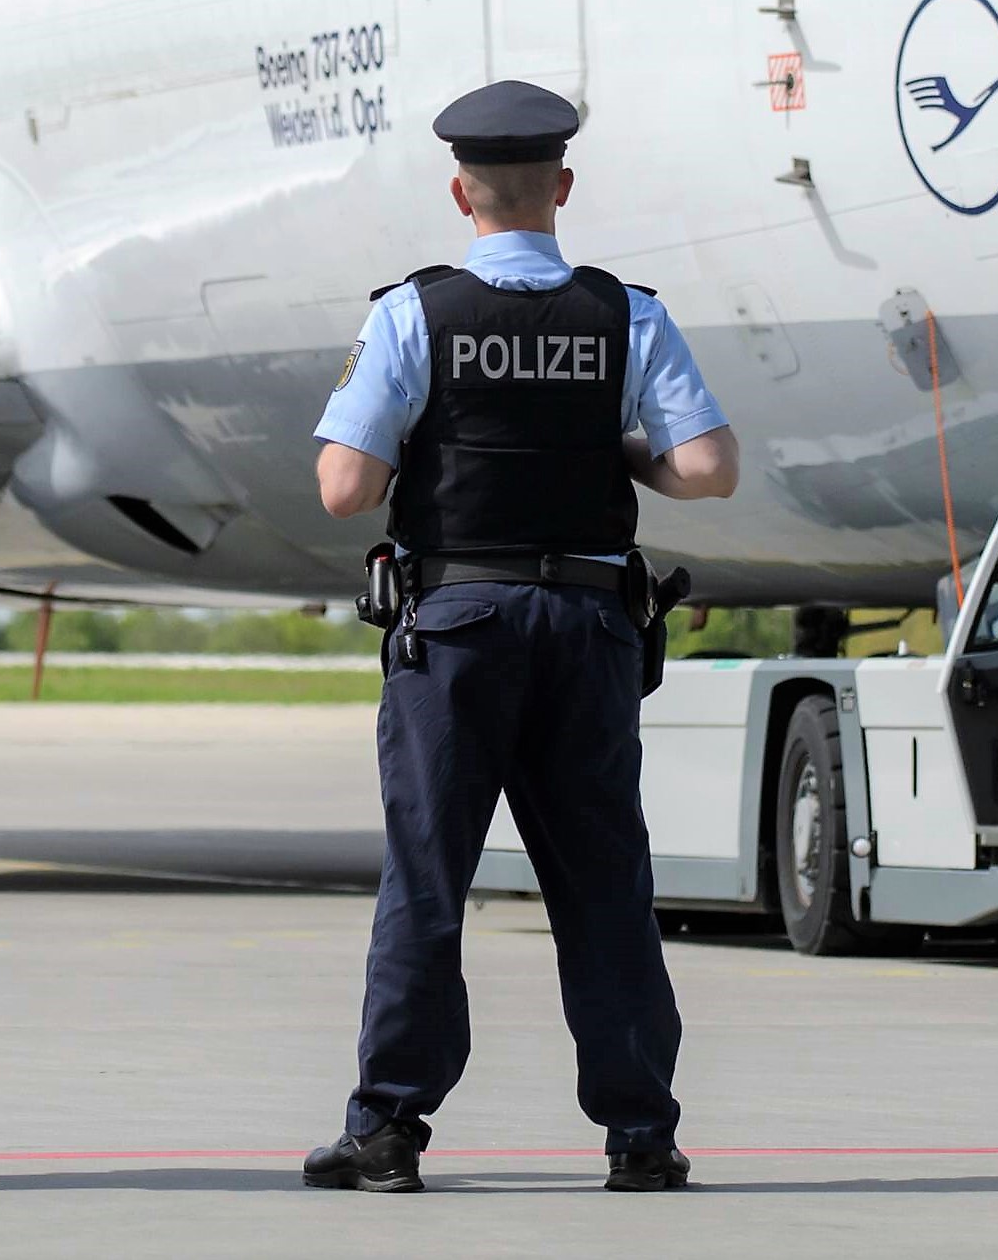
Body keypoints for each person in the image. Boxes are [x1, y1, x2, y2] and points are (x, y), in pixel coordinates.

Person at [301, 80, 741, 1197]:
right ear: (563, 185)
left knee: (429, 882)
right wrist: (616, 451)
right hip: (589, 627)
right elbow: (706, 467)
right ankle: (640, 1131)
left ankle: (389, 1127)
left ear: (462, 190)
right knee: (603, 883)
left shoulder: (413, 312)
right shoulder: (625, 312)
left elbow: (344, 488)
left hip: (455, 630)